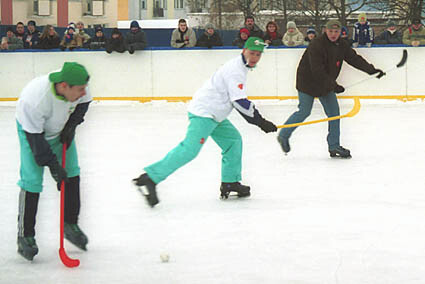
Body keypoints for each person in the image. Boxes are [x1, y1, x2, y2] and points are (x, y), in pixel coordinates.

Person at [133, 37, 277, 207]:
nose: (254, 57)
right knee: (189, 150)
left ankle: (230, 182)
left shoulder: (241, 67)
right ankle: (150, 177)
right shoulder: (235, 71)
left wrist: (258, 120)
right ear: (244, 50)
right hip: (204, 113)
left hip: (215, 114)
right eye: (252, 53)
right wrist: (260, 121)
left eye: (258, 55)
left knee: (233, 141)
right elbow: (239, 102)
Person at [15, 62, 91, 261]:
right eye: (79, 90)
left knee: (72, 174)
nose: (84, 92)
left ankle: (70, 224)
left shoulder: (80, 85)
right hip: (32, 133)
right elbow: (37, 144)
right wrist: (54, 167)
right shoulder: (34, 100)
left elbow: (83, 104)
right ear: (64, 86)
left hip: (60, 130)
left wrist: (72, 125)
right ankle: (25, 235)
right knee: (31, 182)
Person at [277, 20, 384, 159]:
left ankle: (334, 146)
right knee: (304, 111)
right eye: (331, 31)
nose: (333, 34)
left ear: (340, 32)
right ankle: (283, 135)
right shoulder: (317, 44)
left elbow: (354, 59)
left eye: (336, 32)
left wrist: (372, 71)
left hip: (325, 84)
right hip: (307, 82)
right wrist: (333, 86)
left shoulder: (341, 45)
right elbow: (317, 70)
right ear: (325, 31)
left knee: (334, 113)